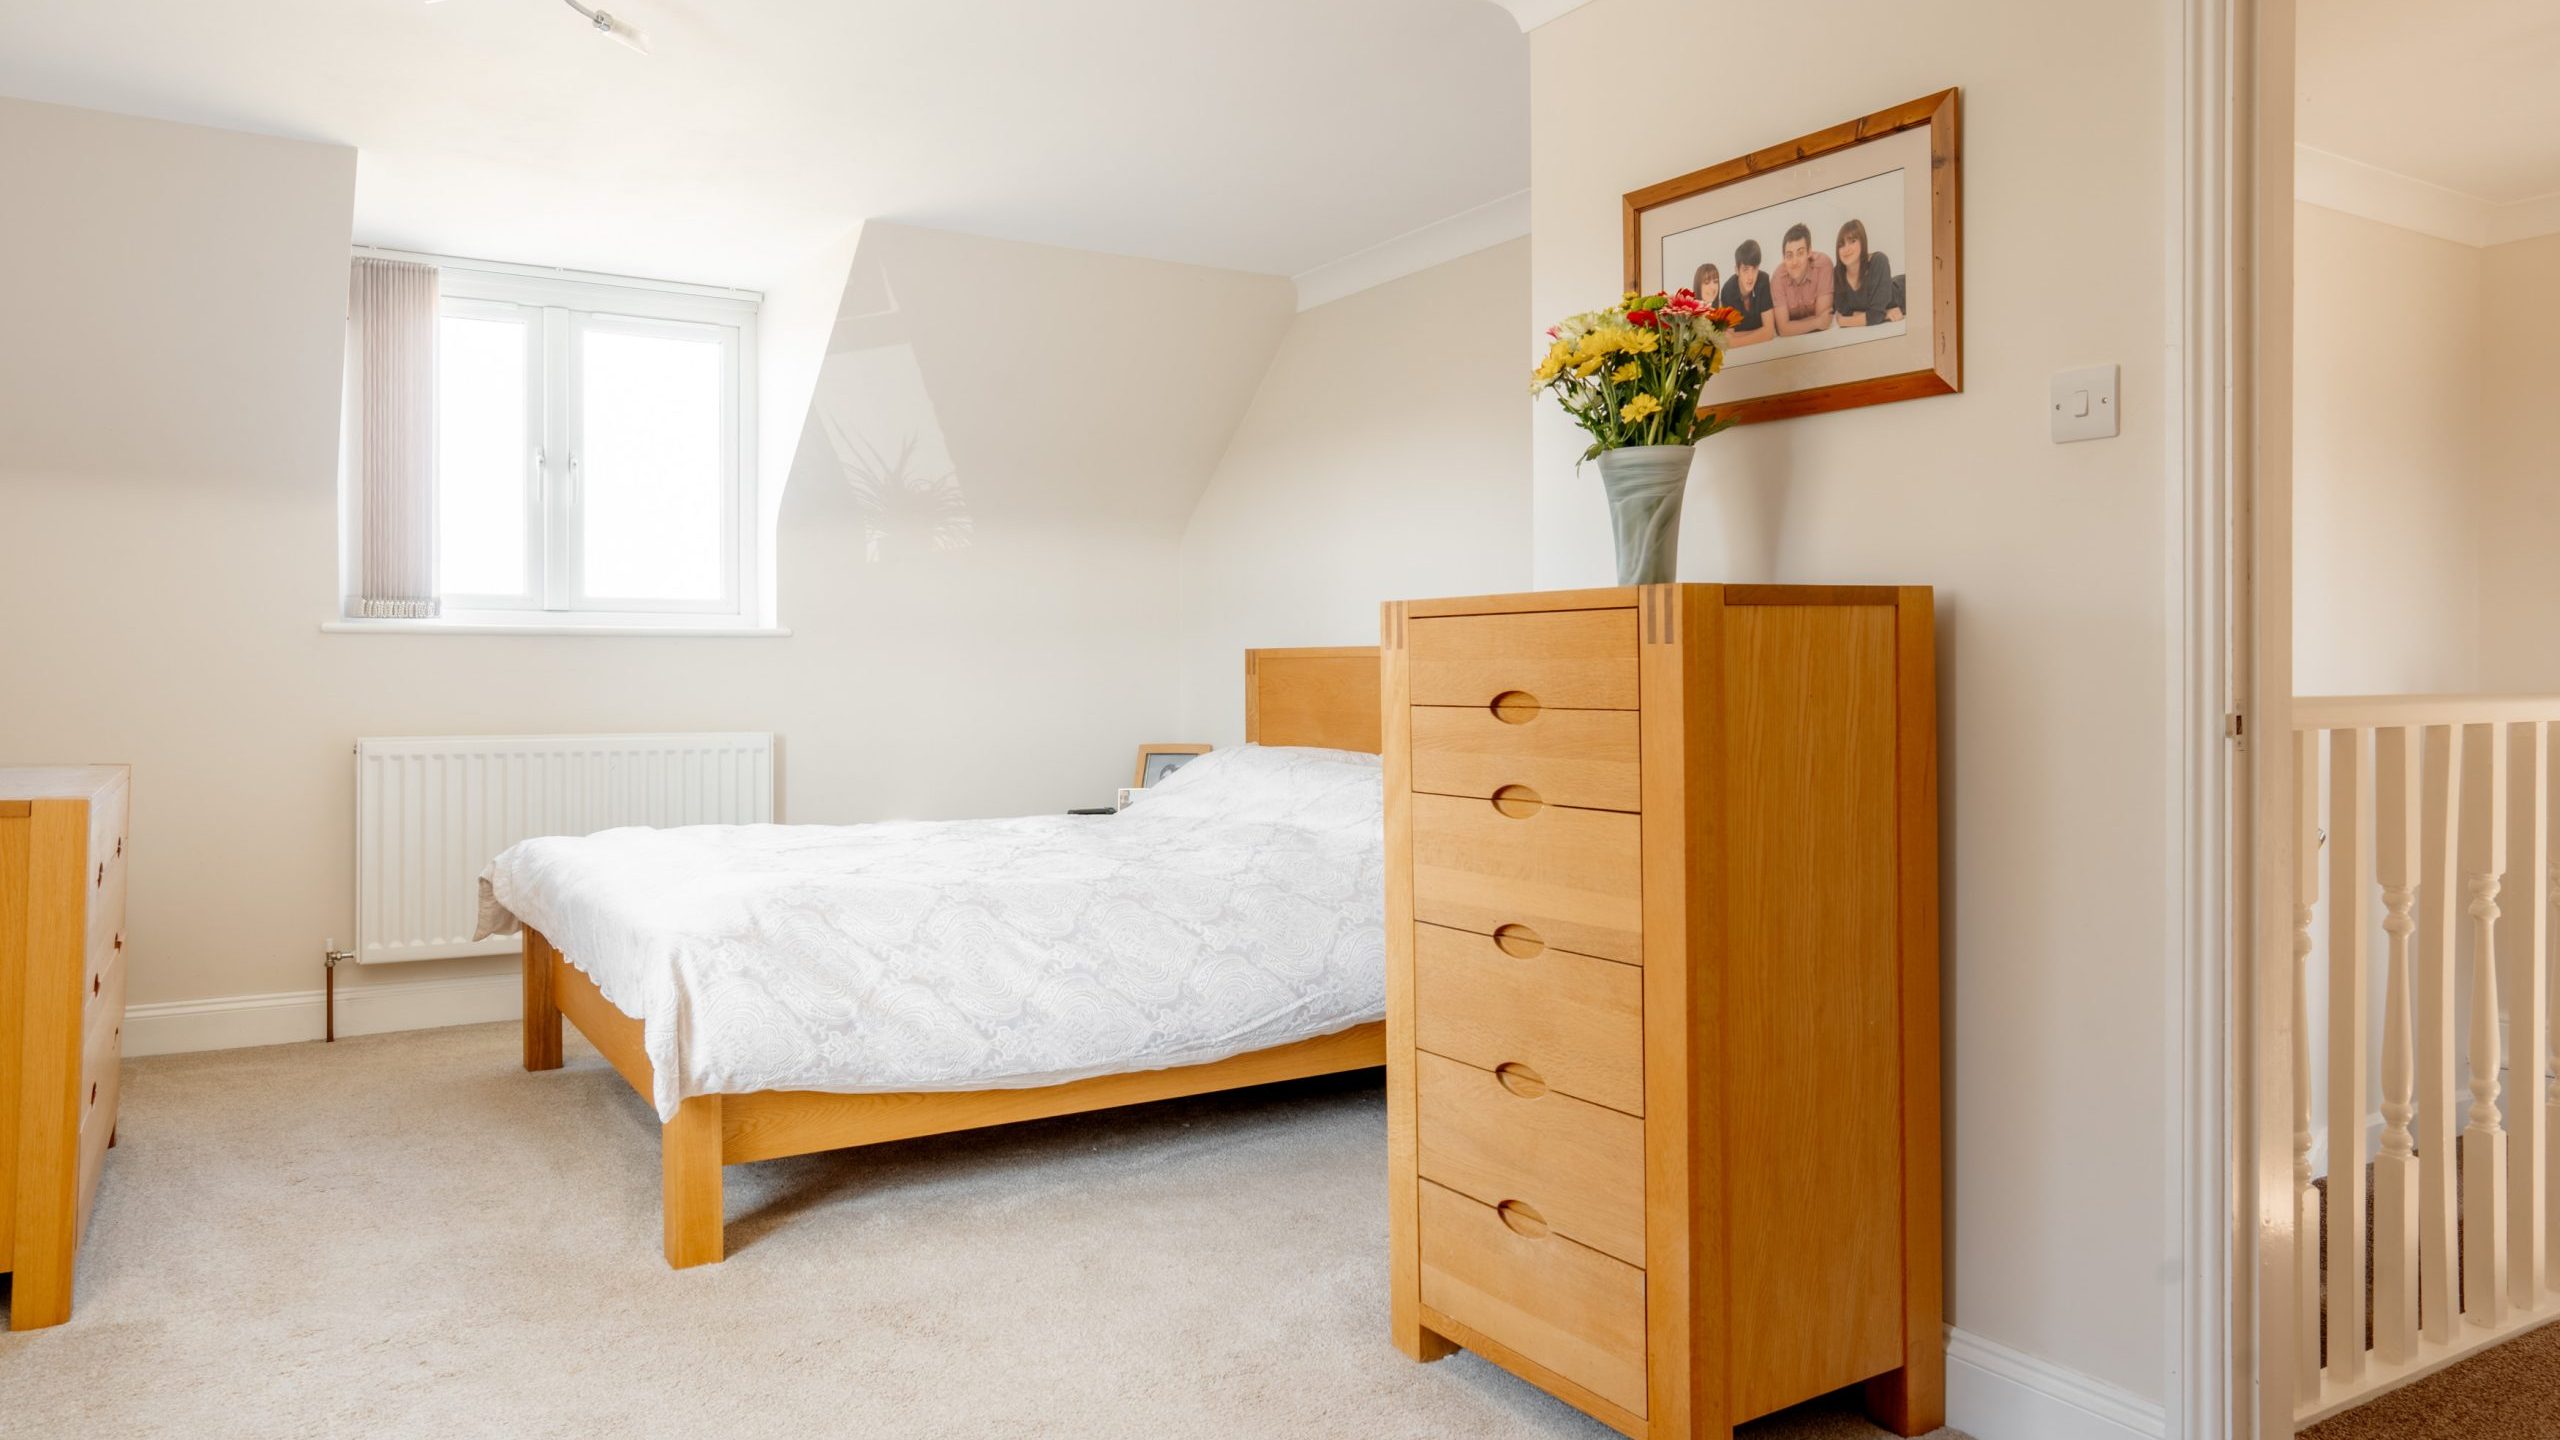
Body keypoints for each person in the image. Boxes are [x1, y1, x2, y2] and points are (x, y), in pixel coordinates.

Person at [1832, 218, 1905, 327]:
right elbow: (1846, 312)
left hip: (1909, 292)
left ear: (1863, 242)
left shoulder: (1878, 261)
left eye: (1852, 241)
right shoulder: (1837, 274)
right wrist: (1884, 314)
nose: (1846, 249)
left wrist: (1844, 322)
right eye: (1841, 244)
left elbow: (1845, 319)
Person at [1769, 222, 1833, 337]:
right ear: (1783, 257)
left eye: (1800, 253)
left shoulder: (1823, 265)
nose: (1794, 262)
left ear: (1809, 252)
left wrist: (1792, 326)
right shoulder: (1777, 278)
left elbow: (1825, 321)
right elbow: (1783, 329)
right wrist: (1817, 322)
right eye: (1789, 255)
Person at [1717, 239, 1774, 347]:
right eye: (1745, 269)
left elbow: (1770, 332)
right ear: (1737, 270)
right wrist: (1762, 332)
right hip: (1742, 352)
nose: (1750, 276)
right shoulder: (1727, 291)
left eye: (1754, 269)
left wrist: (1736, 341)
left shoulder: (1763, 280)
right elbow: (1729, 336)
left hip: (1764, 347)